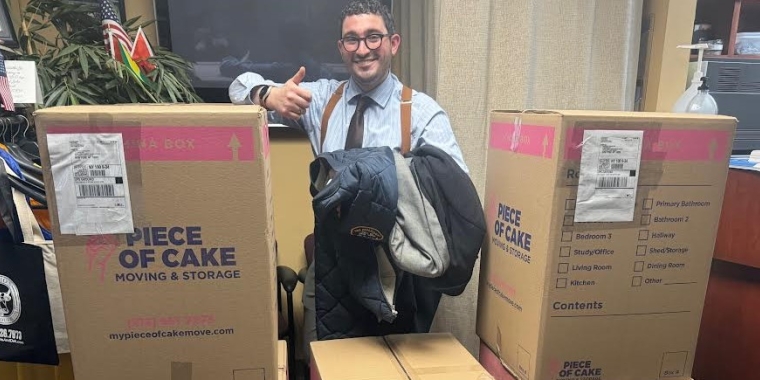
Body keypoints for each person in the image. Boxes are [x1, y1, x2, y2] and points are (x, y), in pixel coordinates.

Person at [228, 0, 468, 362]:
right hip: (331, 269)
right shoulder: (323, 99)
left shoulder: (421, 112)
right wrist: (270, 96)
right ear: (341, 48)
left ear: (393, 43)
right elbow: (238, 85)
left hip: (394, 271)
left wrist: (394, 176)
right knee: (319, 364)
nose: (363, 48)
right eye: (351, 40)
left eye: (373, 37)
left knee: (389, 367)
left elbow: (455, 190)